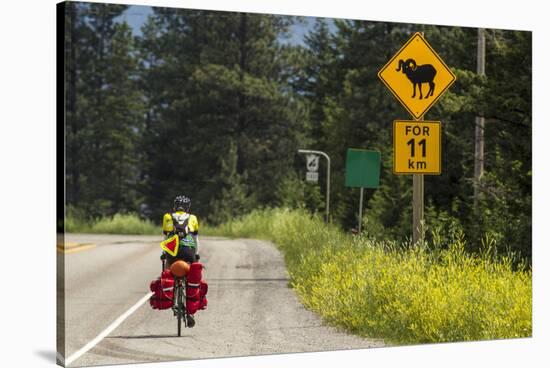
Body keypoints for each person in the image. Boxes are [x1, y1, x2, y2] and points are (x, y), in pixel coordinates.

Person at [161, 195, 200, 267]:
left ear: (175, 206)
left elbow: (165, 237)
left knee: (168, 266)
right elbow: (196, 239)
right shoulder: (193, 217)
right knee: (193, 267)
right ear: (187, 207)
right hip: (189, 251)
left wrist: (163, 253)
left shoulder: (167, 216)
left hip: (172, 250)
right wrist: (197, 254)